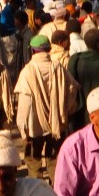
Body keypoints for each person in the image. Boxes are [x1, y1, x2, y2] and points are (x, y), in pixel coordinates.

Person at [13, 34, 75, 177]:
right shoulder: (58, 67)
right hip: (56, 125)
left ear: (33, 51)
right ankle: (55, 192)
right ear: (48, 49)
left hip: (34, 126)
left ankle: (38, 191)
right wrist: (64, 112)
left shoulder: (27, 71)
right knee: (54, 160)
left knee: (33, 160)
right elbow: (72, 89)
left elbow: (24, 104)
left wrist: (23, 129)